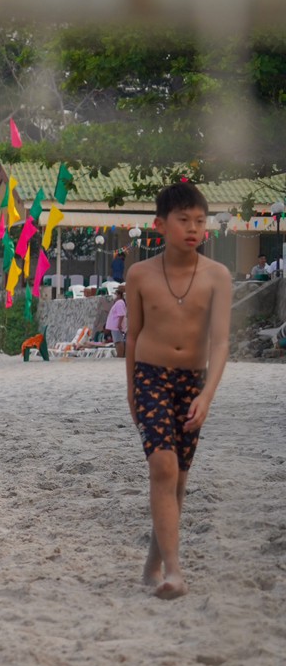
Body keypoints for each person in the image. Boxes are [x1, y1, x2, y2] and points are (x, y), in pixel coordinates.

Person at [122, 181, 233, 600]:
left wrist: (207, 395)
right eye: (183, 220)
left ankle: (153, 562)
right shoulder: (139, 274)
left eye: (200, 221)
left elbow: (221, 342)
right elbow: (132, 337)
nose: (193, 228)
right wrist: (131, 391)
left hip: (193, 382)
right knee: (163, 468)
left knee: (180, 479)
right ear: (159, 224)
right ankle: (174, 571)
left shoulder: (217, 276)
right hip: (151, 376)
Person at [105, 285, 129, 358]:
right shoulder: (120, 302)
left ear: (119, 295)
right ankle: (120, 355)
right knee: (117, 341)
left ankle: (120, 356)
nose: (114, 296)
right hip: (115, 326)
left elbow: (121, 315)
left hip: (116, 326)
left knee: (118, 341)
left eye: (115, 294)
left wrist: (119, 325)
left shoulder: (119, 303)